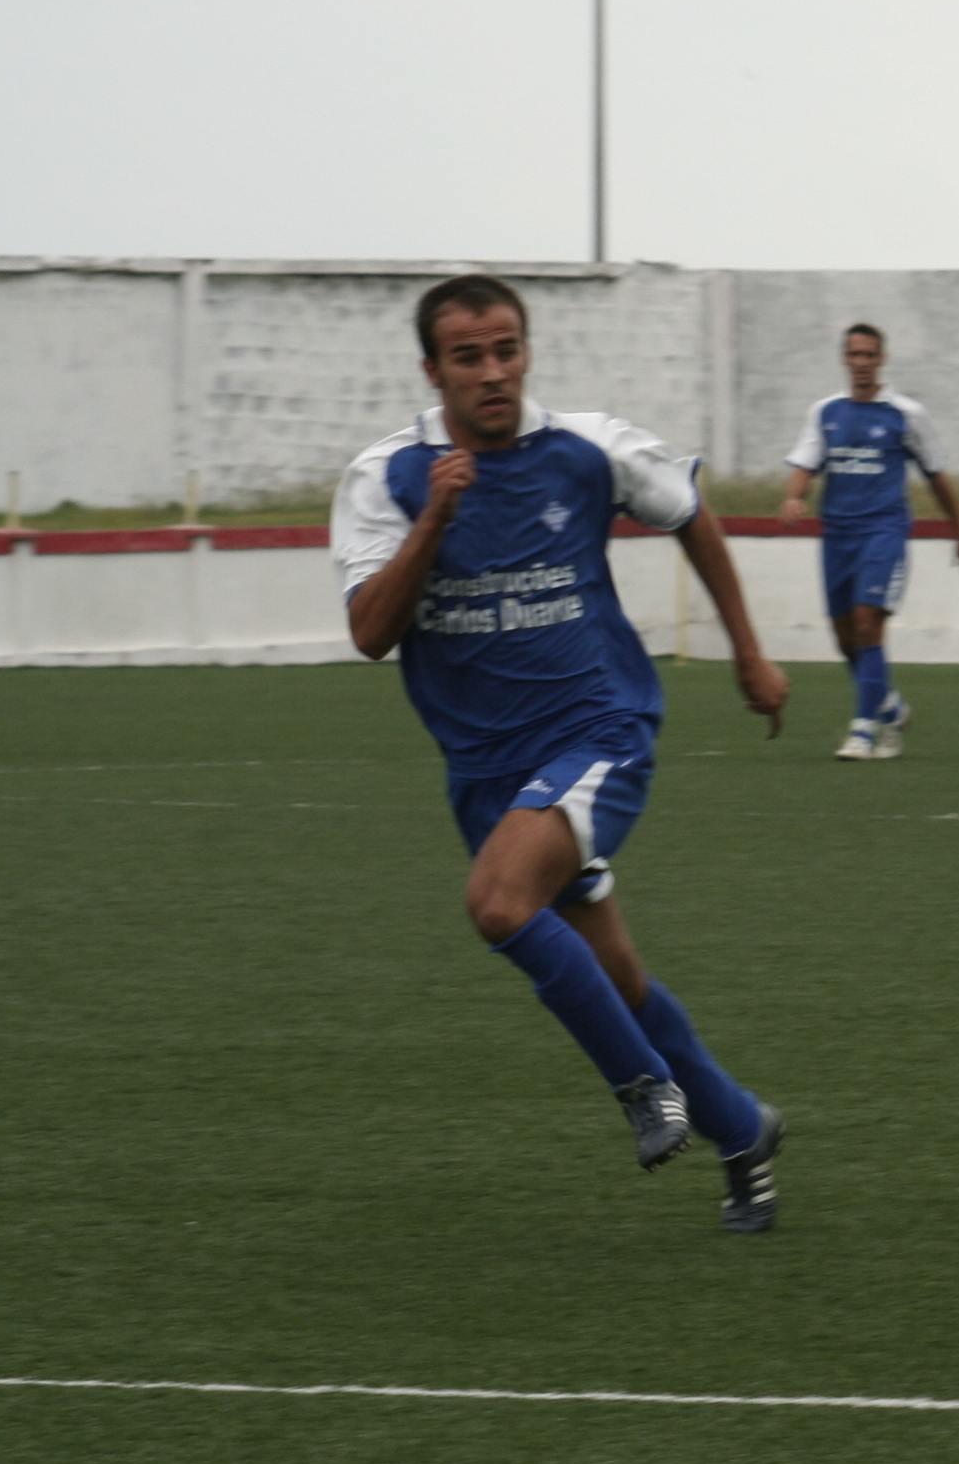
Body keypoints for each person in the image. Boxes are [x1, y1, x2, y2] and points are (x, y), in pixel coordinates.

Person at [331, 275, 791, 1232]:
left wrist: (748, 652)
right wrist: (435, 521)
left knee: (498, 904)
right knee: (617, 979)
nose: (493, 373)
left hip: (597, 733)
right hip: (485, 773)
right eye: (469, 358)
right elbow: (371, 632)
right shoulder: (386, 479)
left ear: (526, 352)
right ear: (433, 371)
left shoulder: (588, 448)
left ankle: (644, 1086)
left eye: (507, 351)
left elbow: (690, 514)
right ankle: (742, 1130)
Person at [779, 321, 959, 761]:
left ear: (882, 359)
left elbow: (936, 473)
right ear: (844, 359)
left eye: (869, 355)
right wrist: (794, 497)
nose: (862, 363)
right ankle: (889, 706)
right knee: (845, 637)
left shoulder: (905, 414)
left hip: (883, 532)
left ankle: (864, 731)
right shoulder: (826, 412)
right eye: (855, 355)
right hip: (837, 536)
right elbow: (806, 463)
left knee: (868, 621)